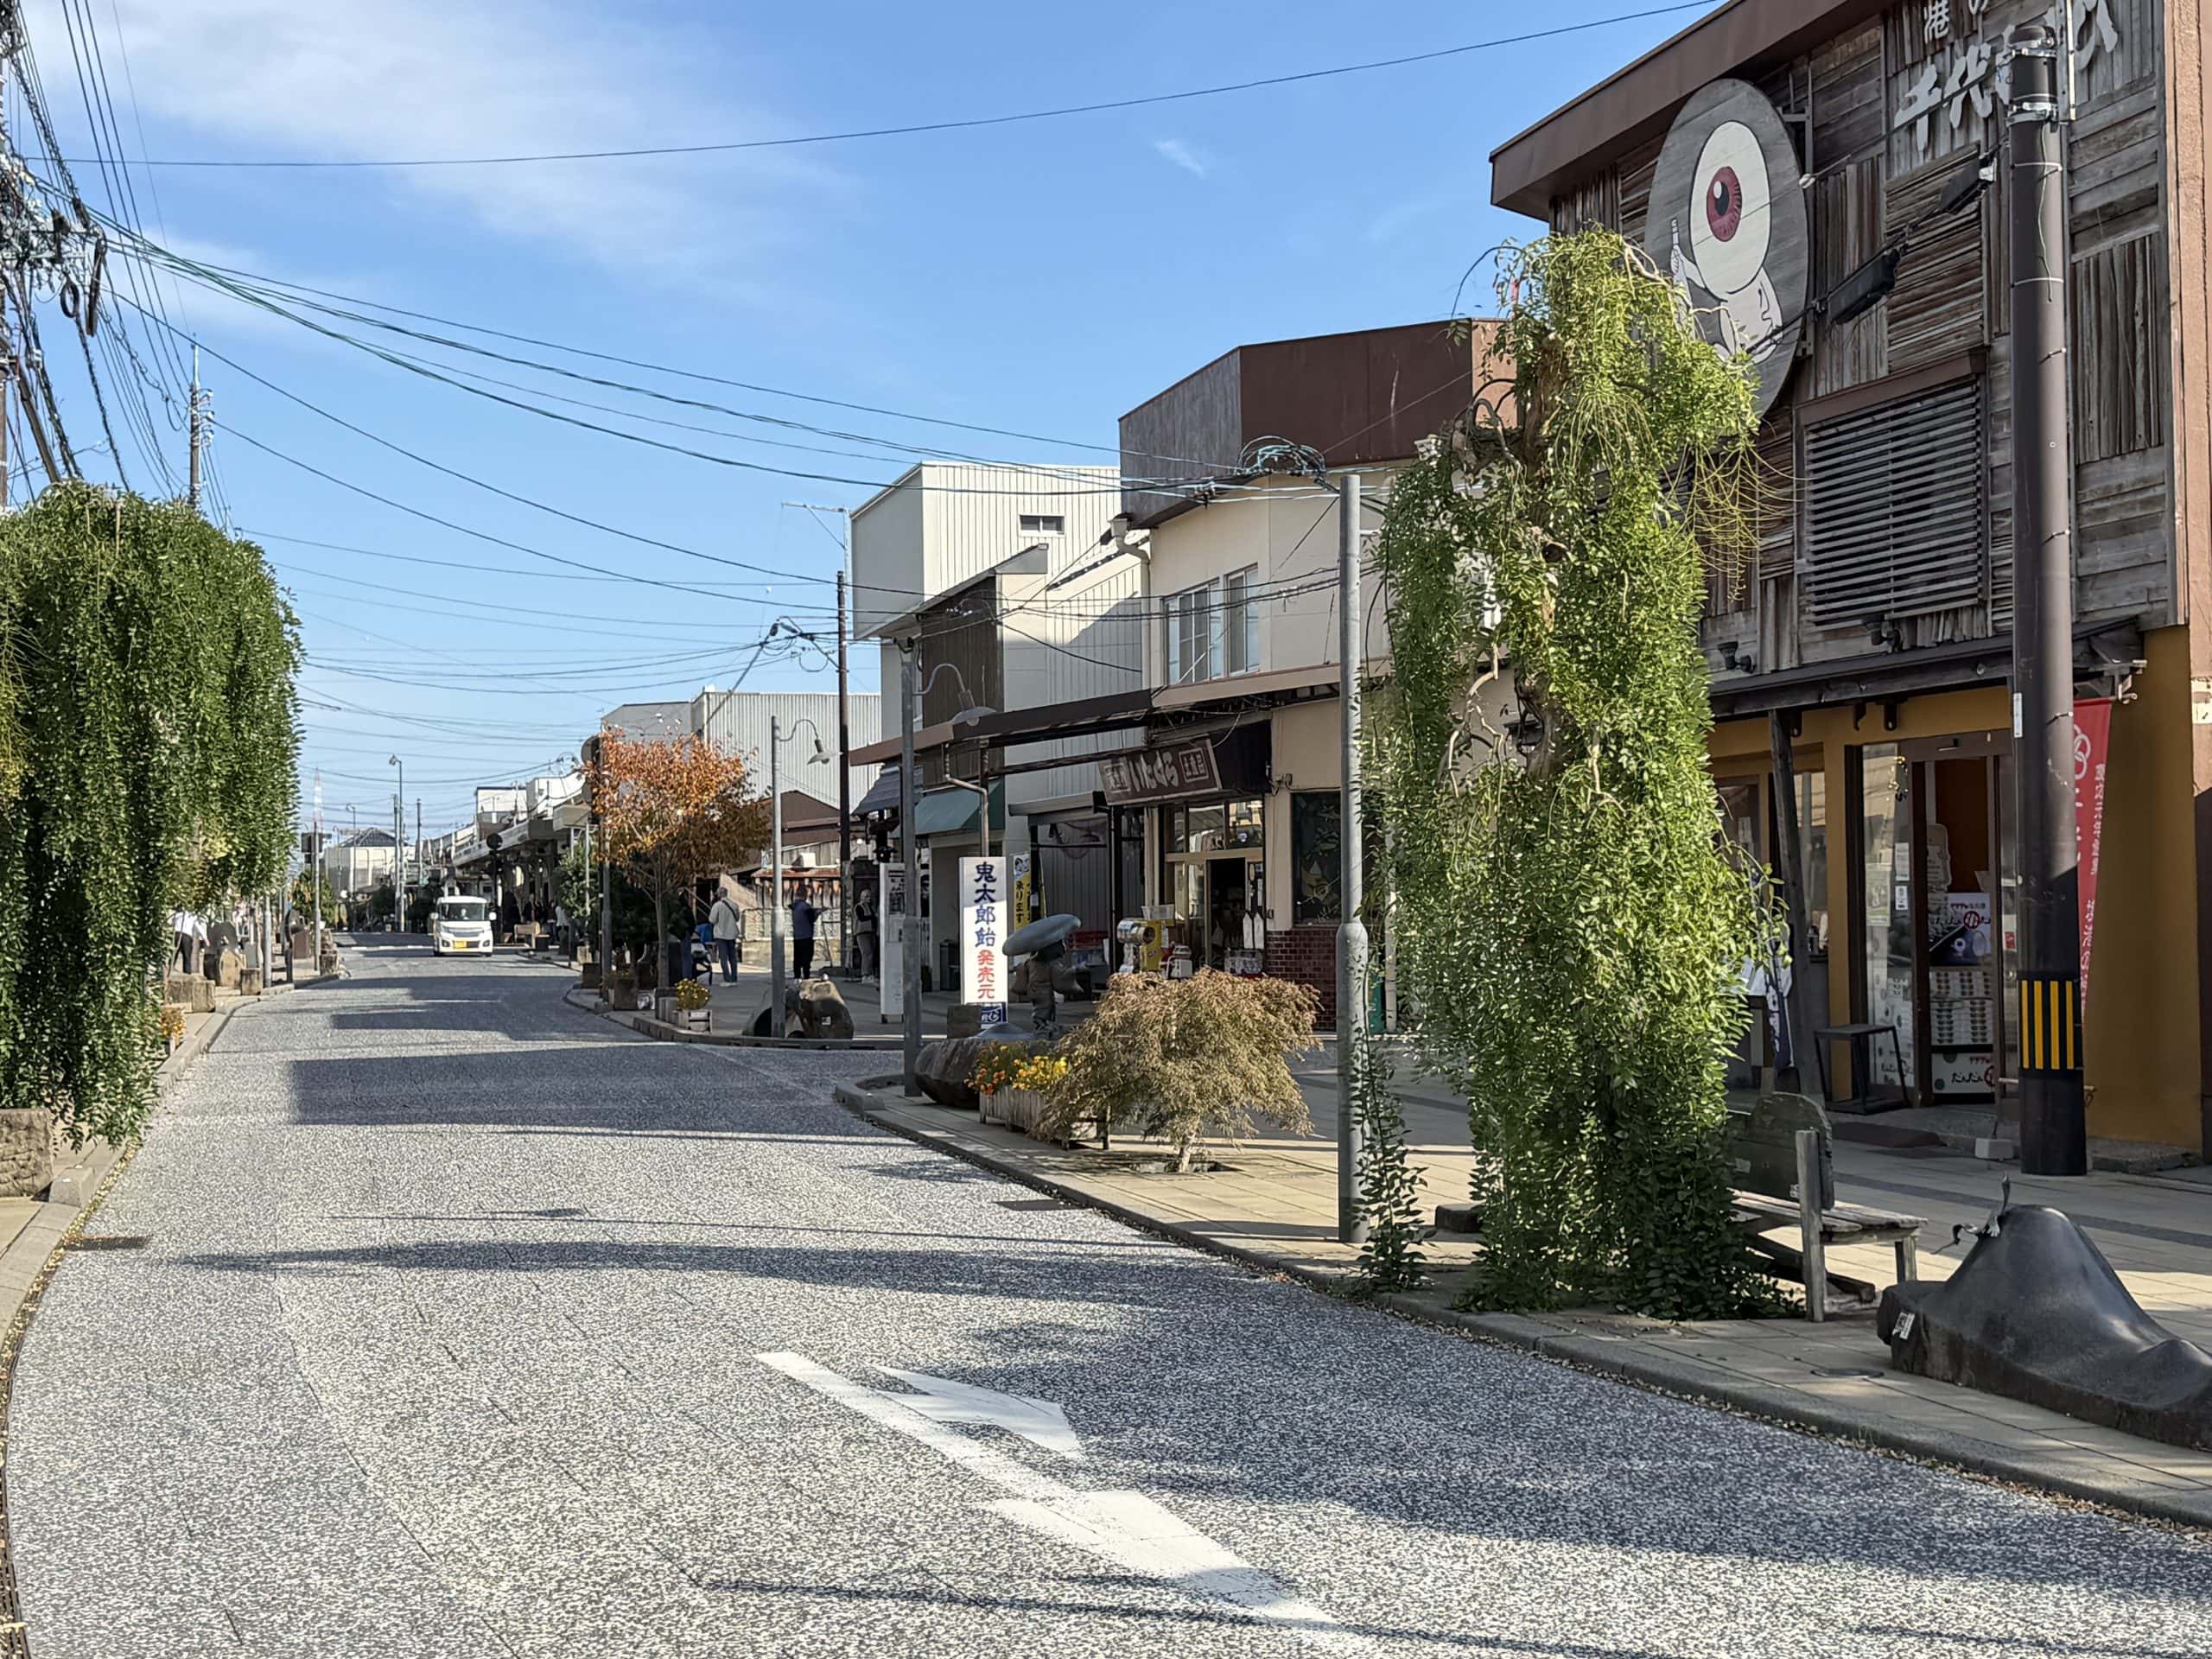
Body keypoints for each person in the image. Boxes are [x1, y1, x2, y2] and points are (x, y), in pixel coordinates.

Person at [709, 887, 744, 982]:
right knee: (732, 957)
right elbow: (737, 918)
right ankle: (734, 977)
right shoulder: (734, 904)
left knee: (723, 958)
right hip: (732, 934)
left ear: (719, 894)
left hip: (721, 934)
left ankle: (727, 978)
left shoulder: (717, 906)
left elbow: (712, 920)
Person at [852, 882, 879, 982]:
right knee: (867, 953)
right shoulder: (859, 907)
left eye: (870, 896)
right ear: (862, 897)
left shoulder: (870, 907)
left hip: (871, 932)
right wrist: (873, 917)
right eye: (867, 896)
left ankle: (870, 973)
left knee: (871, 953)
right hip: (862, 932)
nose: (869, 898)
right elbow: (862, 918)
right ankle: (865, 974)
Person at [791, 889, 820, 979]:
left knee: (797, 958)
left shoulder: (795, 906)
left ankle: (797, 976)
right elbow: (811, 919)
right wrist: (817, 913)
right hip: (806, 935)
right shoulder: (805, 907)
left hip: (797, 935)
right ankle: (806, 975)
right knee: (807, 957)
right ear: (805, 895)